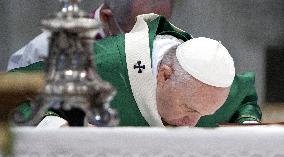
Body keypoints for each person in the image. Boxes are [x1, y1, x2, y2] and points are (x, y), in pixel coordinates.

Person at [11, 14, 262, 127]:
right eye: (189, 109)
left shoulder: (207, 88)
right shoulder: (102, 63)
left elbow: (245, 98)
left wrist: (247, 122)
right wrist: (55, 127)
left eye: (205, 114)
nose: (191, 124)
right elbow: (14, 91)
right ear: (164, 75)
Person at [7, 0, 174, 71]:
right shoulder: (50, 47)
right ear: (107, 17)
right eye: (140, 30)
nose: (151, 39)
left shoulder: (166, 46)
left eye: (160, 26)